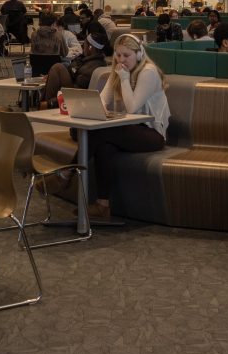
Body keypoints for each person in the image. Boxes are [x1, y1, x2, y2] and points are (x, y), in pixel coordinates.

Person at [84, 33, 168, 219]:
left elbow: (132, 107)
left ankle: (65, 174)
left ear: (139, 54)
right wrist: (99, 109)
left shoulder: (148, 72)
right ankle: (103, 205)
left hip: (151, 133)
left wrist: (123, 78)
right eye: (118, 55)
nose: (121, 60)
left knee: (102, 132)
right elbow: (102, 99)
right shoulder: (118, 71)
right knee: (103, 145)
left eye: (126, 55)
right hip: (126, 130)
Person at [41, 28, 109, 107]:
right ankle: (45, 104)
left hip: (74, 98)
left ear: (90, 47)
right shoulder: (92, 61)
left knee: (57, 68)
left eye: (84, 44)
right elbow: (72, 70)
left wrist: (54, 102)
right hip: (74, 90)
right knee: (57, 70)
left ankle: (45, 104)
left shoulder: (90, 68)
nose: (82, 46)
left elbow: (78, 92)